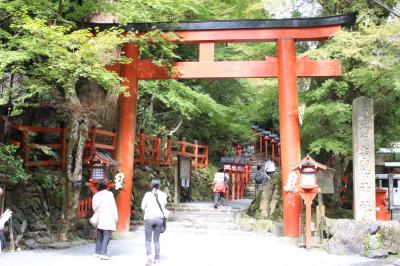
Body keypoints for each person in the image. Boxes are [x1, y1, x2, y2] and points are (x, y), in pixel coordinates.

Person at [141, 179, 169, 265]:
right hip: (159, 219)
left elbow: (142, 207)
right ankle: (157, 258)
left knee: (148, 239)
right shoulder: (163, 194)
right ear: (159, 185)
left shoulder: (147, 195)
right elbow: (164, 205)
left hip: (148, 218)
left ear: (151, 185)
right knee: (156, 240)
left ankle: (149, 256)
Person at [92, 179, 118, 260]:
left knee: (99, 235)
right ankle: (103, 253)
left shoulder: (96, 195)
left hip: (100, 218)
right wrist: (115, 217)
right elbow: (113, 206)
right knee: (107, 235)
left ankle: (97, 252)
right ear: (106, 186)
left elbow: (94, 208)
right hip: (108, 217)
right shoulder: (109, 194)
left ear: (98, 186)